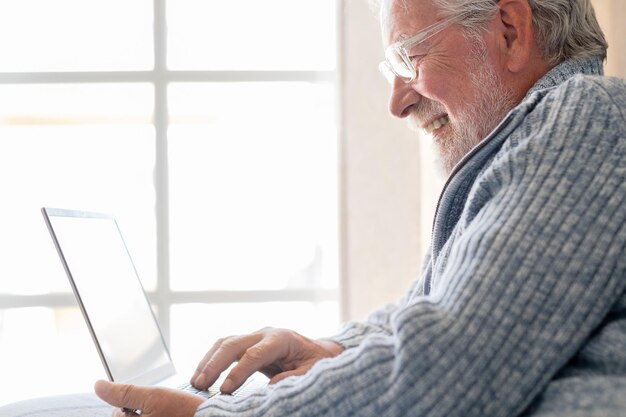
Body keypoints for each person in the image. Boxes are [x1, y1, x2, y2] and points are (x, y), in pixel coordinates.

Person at [95, 0, 626, 416]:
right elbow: (428, 316)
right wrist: (331, 351)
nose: (398, 101)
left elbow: (450, 368)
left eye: (407, 58)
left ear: (510, 30)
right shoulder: (533, 145)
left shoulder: (585, 117)